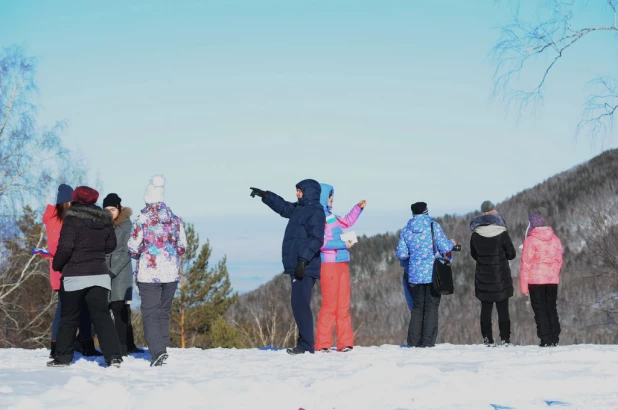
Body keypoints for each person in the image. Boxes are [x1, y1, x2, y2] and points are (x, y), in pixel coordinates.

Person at [48, 186, 123, 368]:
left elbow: (65, 247)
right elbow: (111, 245)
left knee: (69, 317)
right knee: (102, 316)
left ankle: (63, 358)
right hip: (99, 274)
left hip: (75, 275)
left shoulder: (72, 219)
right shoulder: (104, 220)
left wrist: (57, 265)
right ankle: (114, 357)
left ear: (75, 199)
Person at [250, 180, 325, 355]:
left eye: (299, 191)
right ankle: (304, 343)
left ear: (308, 192)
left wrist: (303, 260)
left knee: (300, 304)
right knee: (298, 304)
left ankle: (306, 345)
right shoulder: (300, 209)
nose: (297, 194)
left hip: (305, 265)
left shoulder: (315, 211)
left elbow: (316, 238)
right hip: (298, 264)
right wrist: (267, 196)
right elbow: (283, 208)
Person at [128, 175, 187, 366]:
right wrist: (169, 253)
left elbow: (132, 247)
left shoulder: (142, 219)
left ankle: (158, 352)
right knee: (164, 311)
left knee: (151, 312)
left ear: (147, 197)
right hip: (171, 273)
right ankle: (162, 347)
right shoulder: (175, 219)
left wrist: (143, 254)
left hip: (149, 274)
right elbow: (182, 247)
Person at [42, 184, 101, 358]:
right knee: (64, 309)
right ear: (65, 202)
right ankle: (56, 346)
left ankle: (85, 344)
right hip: (63, 271)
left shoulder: (70, 217)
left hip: (77, 269)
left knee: (84, 308)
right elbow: (55, 247)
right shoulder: (55, 219)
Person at [396, 202, 455, 348]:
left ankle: (413, 342)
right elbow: (444, 247)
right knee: (431, 307)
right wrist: (452, 243)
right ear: (426, 211)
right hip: (433, 274)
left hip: (414, 275)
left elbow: (402, 254)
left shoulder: (406, 230)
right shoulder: (433, 226)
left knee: (417, 308)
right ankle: (428, 342)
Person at [314, 184, 365, 353]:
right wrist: (343, 244)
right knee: (329, 304)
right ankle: (323, 344)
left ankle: (345, 343)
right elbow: (321, 243)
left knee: (343, 304)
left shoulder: (331, 216)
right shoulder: (317, 217)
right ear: (322, 197)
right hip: (328, 264)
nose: (332, 201)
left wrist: (357, 208)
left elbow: (347, 221)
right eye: (330, 198)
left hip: (342, 262)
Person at [469, 200, 516, 347]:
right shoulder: (501, 233)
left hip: (483, 277)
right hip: (501, 277)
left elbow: (474, 255)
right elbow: (512, 254)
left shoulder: (475, 235)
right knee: (503, 310)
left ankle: (487, 339)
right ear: (494, 211)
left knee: (486, 309)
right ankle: (505, 339)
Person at [103, 193, 143, 356]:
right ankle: (127, 343)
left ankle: (123, 346)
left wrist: (112, 271)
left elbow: (128, 251)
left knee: (120, 308)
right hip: (105, 269)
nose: (109, 212)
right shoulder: (102, 224)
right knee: (105, 308)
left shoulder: (126, 225)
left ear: (119, 208)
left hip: (120, 272)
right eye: (106, 209)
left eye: (112, 209)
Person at [520, 207, 563, 347]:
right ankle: (554, 336)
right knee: (551, 307)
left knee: (539, 309)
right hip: (551, 280)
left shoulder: (530, 241)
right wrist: (552, 273)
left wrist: (523, 285)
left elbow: (526, 264)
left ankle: (545, 338)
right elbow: (558, 260)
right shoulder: (555, 239)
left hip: (535, 280)